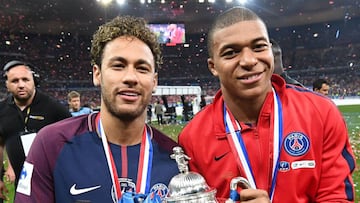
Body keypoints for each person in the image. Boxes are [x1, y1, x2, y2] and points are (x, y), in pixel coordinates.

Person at [178, 6, 355, 203]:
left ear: (271, 51)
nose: (248, 60)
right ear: (213, 66)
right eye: (231, 52)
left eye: (259, 47)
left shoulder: (320, 112)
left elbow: (336, 198)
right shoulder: (193, 138)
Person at [15, 15, 179, 203]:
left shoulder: (175, 158)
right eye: (118, 66)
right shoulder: (51, 144)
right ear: (97, 74)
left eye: (142, 68)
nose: (131, 77)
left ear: (154, 81)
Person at [0, 60, 71, 191]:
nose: (21, 85)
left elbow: (74, 142)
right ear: (7, 85)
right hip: (22, 186)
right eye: (15, 81)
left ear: (34, 81)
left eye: (25, 79)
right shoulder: (2, 110)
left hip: (52, 184)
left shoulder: (54, 108)